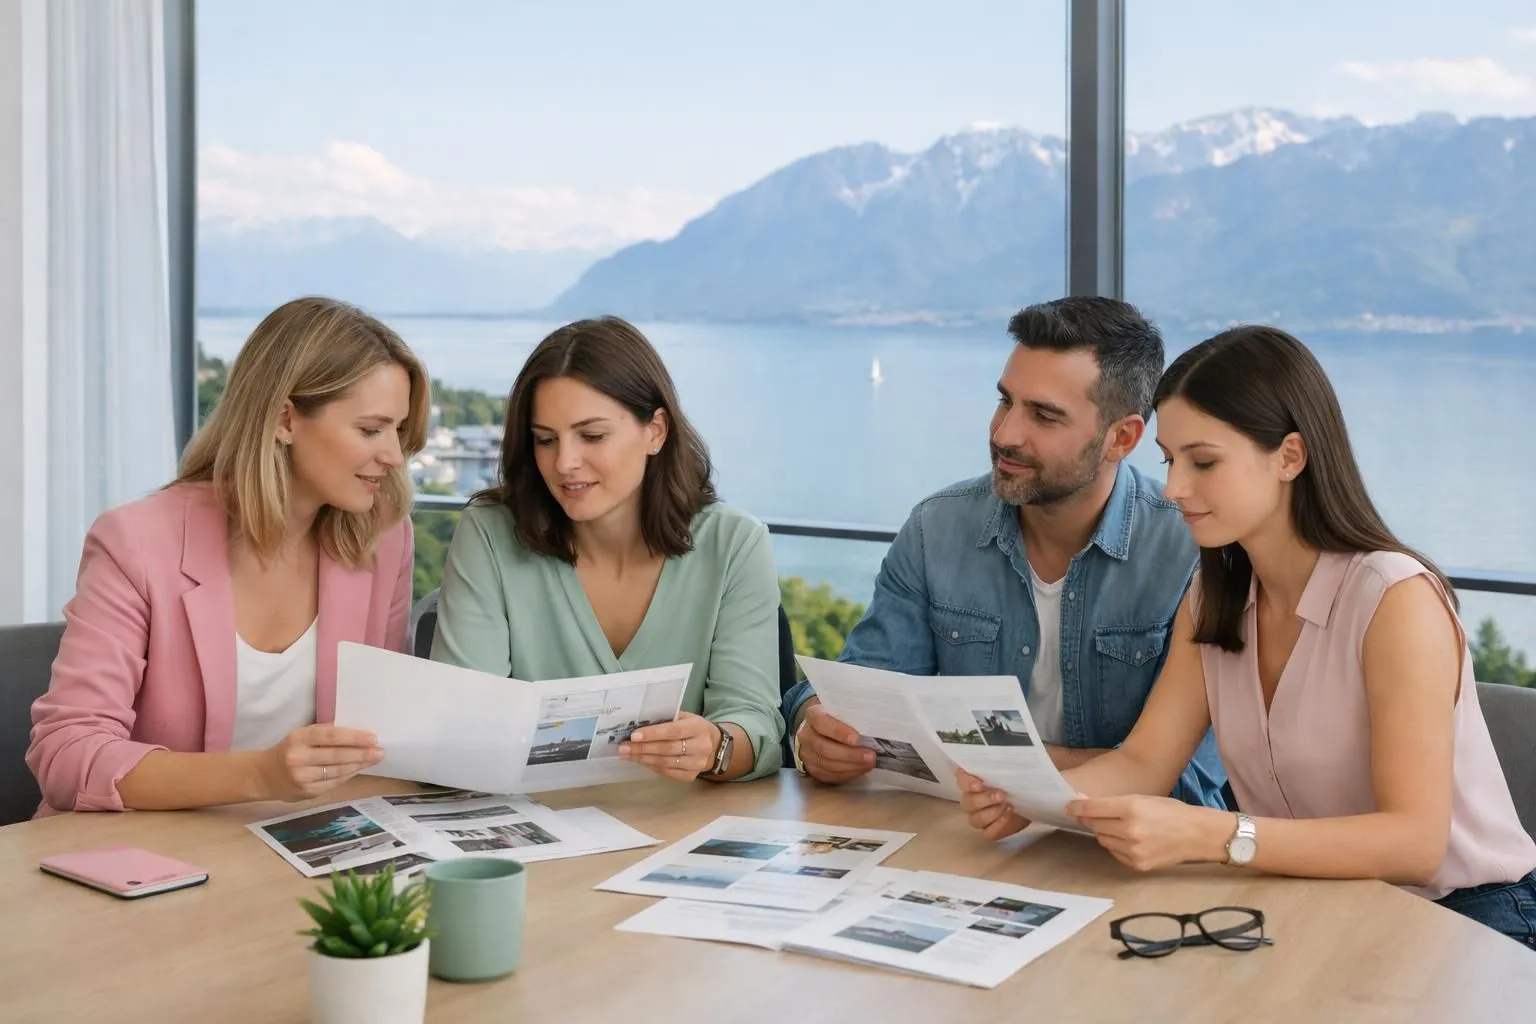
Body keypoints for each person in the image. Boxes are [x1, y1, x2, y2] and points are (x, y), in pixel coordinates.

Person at [958, 325, 1536, 947]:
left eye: (1204, 462)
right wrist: (1036, 799)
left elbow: (1415, 845)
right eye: (1171, 461)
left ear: (1289, 456)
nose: (1176, 488)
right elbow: (1144, 763)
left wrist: (1213, 834)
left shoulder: (1394, 599)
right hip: (1309, 898)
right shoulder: (1214, 597)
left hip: (1467, 915)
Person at [782, 297, 1228, 808]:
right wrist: (814, 728)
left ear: (1120, 438)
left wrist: (1000, 767)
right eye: (1005, 401)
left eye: (1043, 415)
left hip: (1127, 856)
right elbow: (862, 698)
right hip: (973, 840)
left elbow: (1188, 781)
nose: (1004, 433)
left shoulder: (1191, 551)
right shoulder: (937, 528)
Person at [28, 296, 430, 814]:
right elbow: (67, 754)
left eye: (398, 430)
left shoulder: (383, 540)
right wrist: (260, 774)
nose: (394, 455)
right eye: (371, 430)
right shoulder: (136, 542)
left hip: (298, 849)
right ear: (285, 420)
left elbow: (381, 734)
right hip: (142, 855)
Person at [430, 316, 782, 782]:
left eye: (592, 436)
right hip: (535, 830)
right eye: (545, 440)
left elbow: (755, 726)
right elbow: (462, 725)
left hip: (680, 829)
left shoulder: (735, 544)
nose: (565, 463)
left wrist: (714, 747)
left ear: (655, 431)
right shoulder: (490, 536)